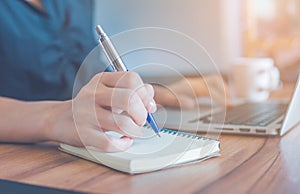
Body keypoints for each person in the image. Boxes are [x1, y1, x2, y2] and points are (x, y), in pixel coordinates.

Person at [0, 0, 229, 152]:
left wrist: (161, 93)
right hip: (24, 160)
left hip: (87, 150)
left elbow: (87, 72)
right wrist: (53, 117)